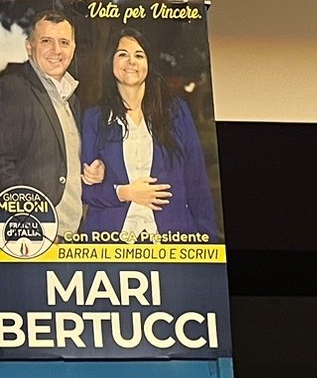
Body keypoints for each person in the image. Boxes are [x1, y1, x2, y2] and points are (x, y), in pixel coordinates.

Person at [78, 27, 220, 242]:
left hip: (171, 238)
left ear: (148, 64)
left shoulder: (176, 112)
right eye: (122, 54)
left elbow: (196, 180)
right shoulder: (94, 118)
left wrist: (209, 240)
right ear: (110, 62)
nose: (131, 61)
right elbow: (88, 191)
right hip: (111, 241)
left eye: (139, 55)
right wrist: (124, 192)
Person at [0, 11, 85, 237]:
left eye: (64, 42)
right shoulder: (10, 89)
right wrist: (35, 225)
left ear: (73, 49)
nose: (56, 50)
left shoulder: (73, 100)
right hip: (27, 238)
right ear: (29, 47)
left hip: (70, 238)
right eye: (46, 41)